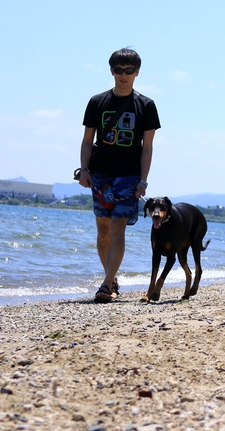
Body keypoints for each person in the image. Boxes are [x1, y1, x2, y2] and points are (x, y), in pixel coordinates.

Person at [76, 48, 161, 303]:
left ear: (137, 72)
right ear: (111, 71)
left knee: (117, 229)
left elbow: (147, 147)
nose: (123, 75)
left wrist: (143, 180)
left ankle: (104, 286)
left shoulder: (146, 105)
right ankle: (111, 279)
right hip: (100, 174)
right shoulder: (96, 102)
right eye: (119, 70)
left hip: (128, 176)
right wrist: (84, 169)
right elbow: (87, 141)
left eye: (129, 71)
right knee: (103, 232)